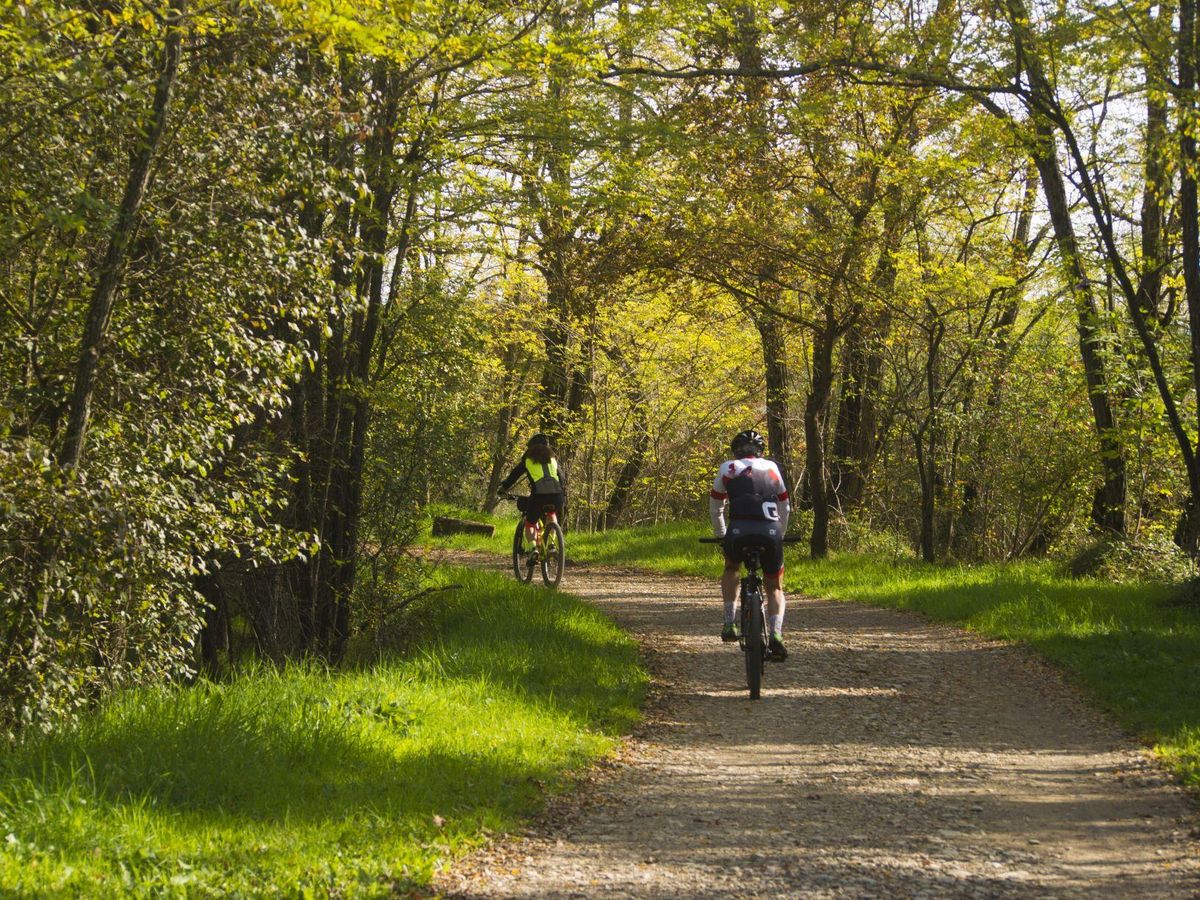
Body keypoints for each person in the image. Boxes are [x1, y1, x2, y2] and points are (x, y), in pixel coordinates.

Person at [709, 429, 791, 660]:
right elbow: (785, 506)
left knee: (731, 568)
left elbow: (716, 507)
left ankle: (729, 622)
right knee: (774, 586)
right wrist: (781, 533)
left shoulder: (728, 468)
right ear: (761, 451)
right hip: (770, 532)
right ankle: (776, 634)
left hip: (738, 531)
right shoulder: (772, 468)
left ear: (735, 451)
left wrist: (721, 535)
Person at [499, 433, 567, 551]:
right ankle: (551, 544)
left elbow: (514, 476)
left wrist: (503, 488)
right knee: (551, 513)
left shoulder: (528, 460)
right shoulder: (553, 460)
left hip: (539, 496)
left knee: (530, 523)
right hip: (557, 495)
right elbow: (562, 479)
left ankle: (533, 548)